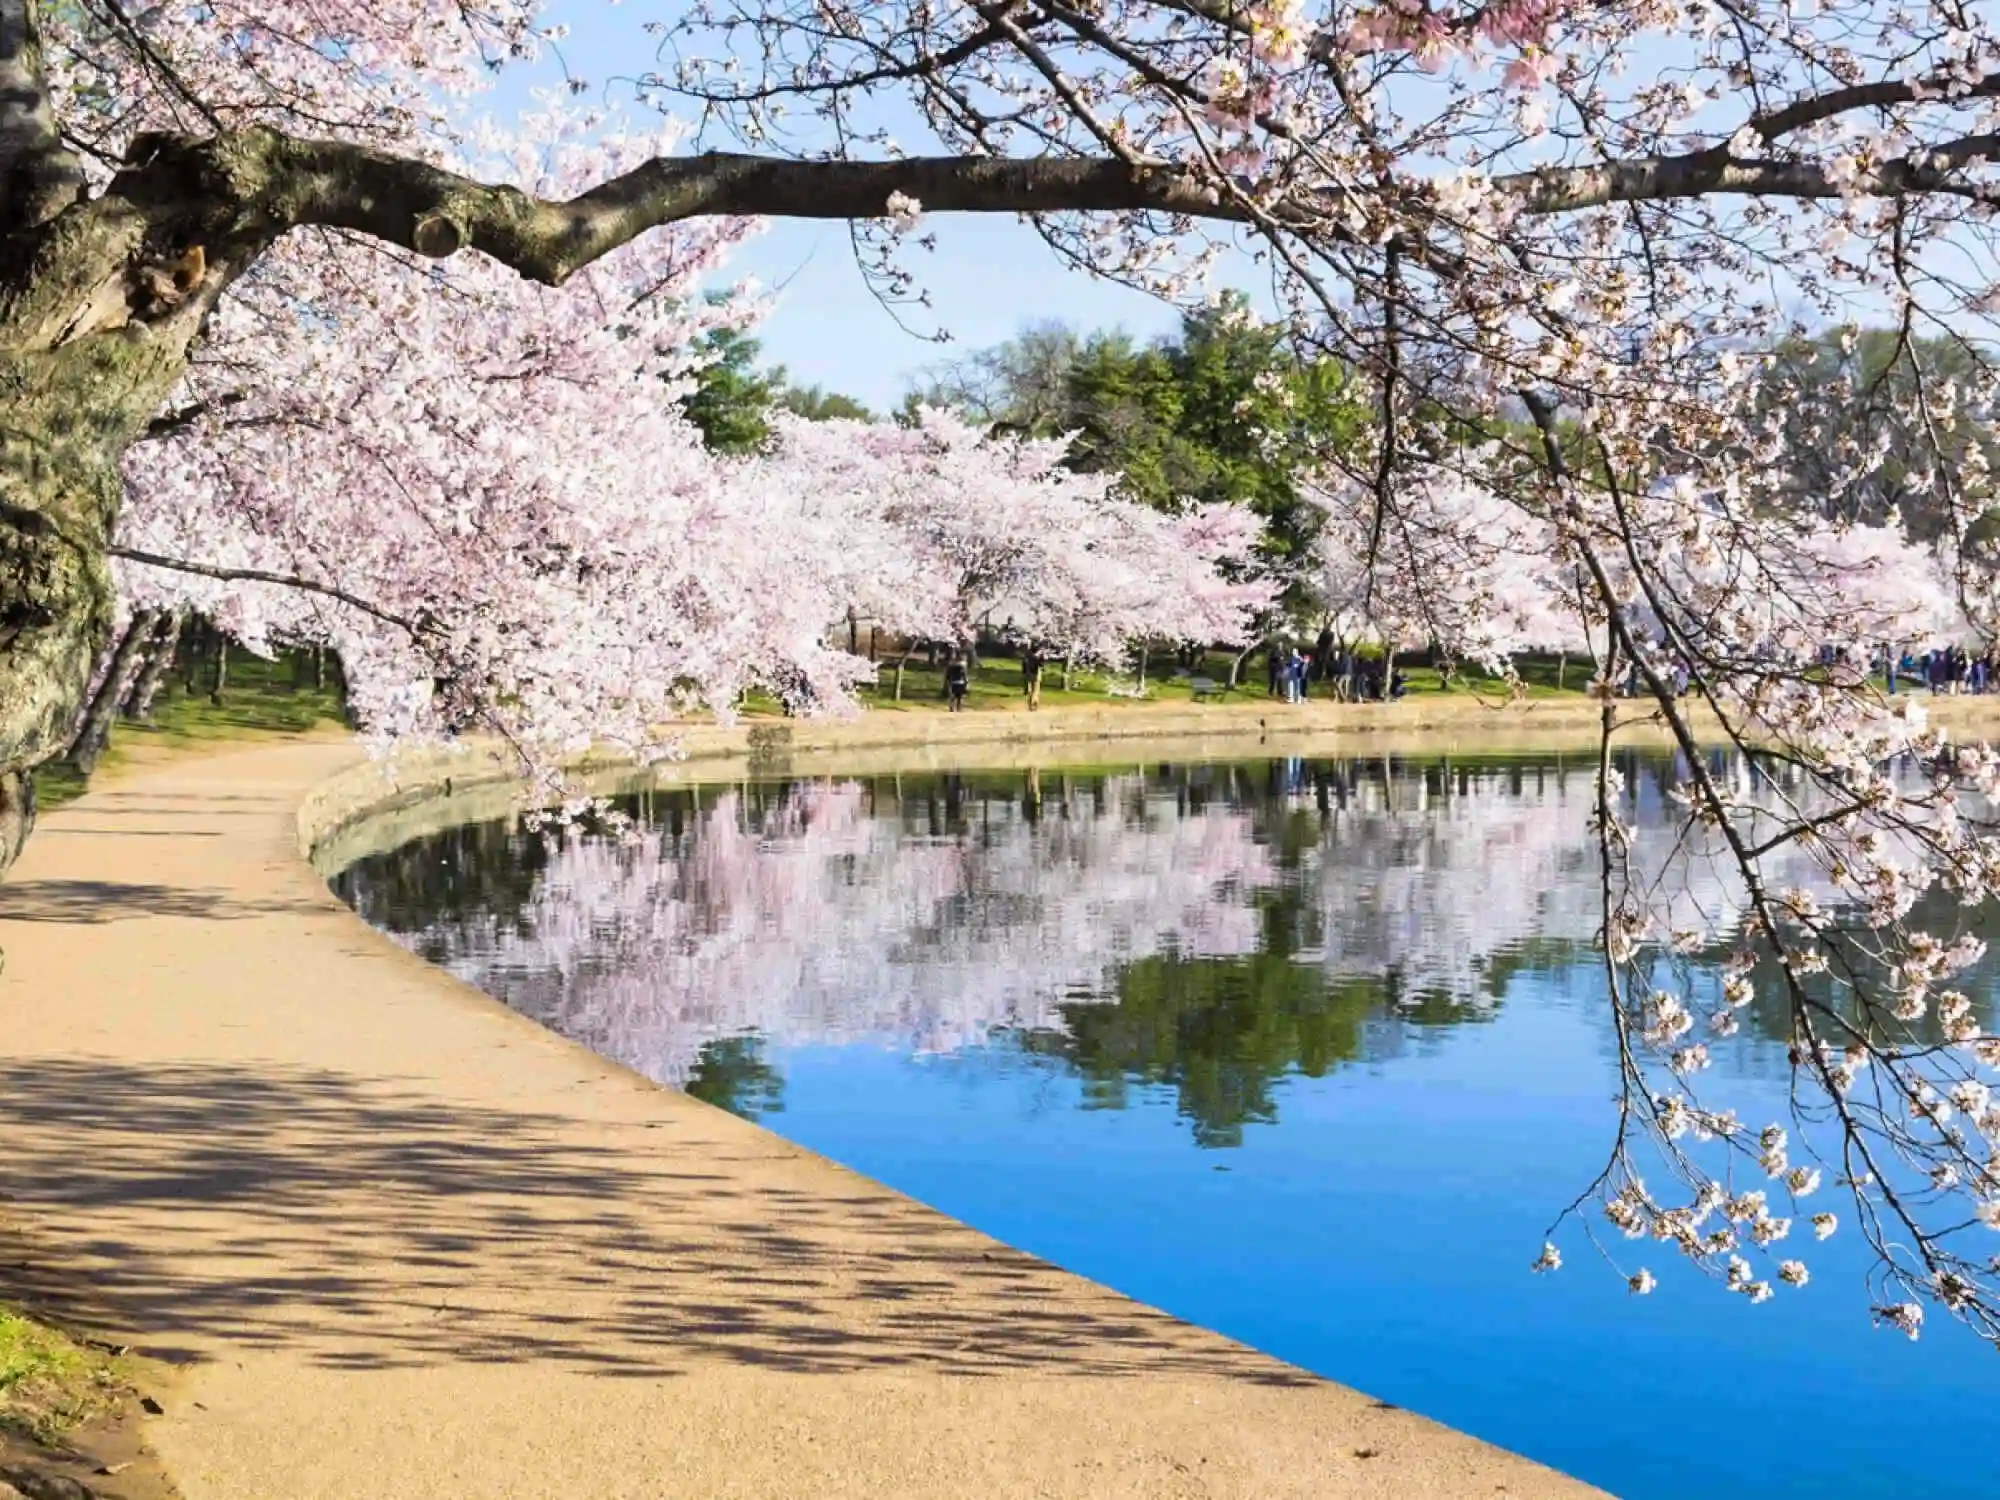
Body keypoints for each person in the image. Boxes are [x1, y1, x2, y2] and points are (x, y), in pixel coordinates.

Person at [1020, 645, 1043, 711]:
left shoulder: (1026, 657)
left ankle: (1030, 704)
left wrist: (1023, 673)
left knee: (1030, 690)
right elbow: (1041, 664)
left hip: (1028, 675)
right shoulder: (1037, 657)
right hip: (1035, 675)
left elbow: (1023, 665)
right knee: (1035, 690)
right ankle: (1034, 704)